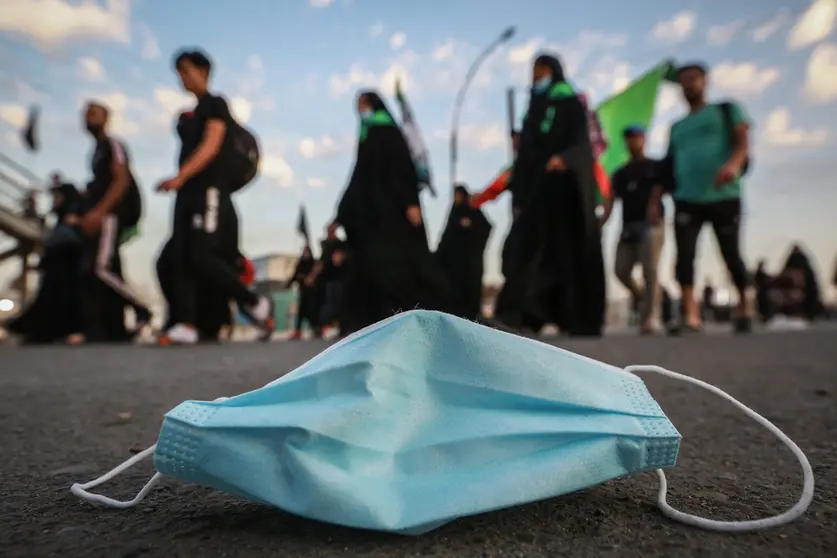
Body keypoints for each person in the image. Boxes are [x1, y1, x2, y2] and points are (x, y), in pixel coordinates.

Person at [155, 49, 274, 345]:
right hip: (189, 194)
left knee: (201, 253)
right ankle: (187, 322)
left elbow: (211, 145)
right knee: (172, 258)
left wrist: (180, 176)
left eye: (186, 70)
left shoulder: (214, 104)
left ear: (203, 71)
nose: (182, 77)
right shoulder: (189, 115)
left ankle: (254, 302)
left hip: (209, 190)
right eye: (179, 72)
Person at [492, 53, 606, 337]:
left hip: (563, 194)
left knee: (565, 255)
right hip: (537, 194)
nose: (536, 76)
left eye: (541, 70)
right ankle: (521, 316)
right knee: (525, 251)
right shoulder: (534, 107)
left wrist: (564, 158)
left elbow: (582, 143)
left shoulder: (571, 102)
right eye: (533, 70)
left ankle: (575, 318)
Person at [327, 90, 451, 334]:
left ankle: (424, 321)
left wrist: (410, 202)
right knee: (369, 269)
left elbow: (401, 167)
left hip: (393, 215)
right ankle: (368, 327)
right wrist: (340, 216)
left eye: (363, 104)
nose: (360, 110)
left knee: (402, 268)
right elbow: (357, 179)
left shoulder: (389, 132)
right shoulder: (366, 137)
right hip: (370, 218)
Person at [652, 62, 753, 334]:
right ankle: (691, 315)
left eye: (694, 78)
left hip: (723, 195)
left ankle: (745, 307)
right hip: (686, 197)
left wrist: (733, 165)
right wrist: (657, 198)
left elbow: (742, 142)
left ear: (705, 81)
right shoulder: (677, 127)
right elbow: (668, 164)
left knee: (730, 252)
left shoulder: (726, 110)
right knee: (685, 256)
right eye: (684, 80)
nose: (689, 84)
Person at [79, 101, 151, 343]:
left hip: (111, 216)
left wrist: (100, 211)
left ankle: (142, 307)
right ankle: (110, 327)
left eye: (94, 114)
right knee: (107, 266)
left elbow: (121, 179)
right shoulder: (96, 151)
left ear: (106, 117)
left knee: (101, 268)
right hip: (102, 215)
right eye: (86, 114)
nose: (89, 118)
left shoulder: (113, 144)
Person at [600, 125, 665, 334]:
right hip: (628, 226)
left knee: (650, 269)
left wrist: (654, 204)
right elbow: (610, 200)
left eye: (636, 137)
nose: (632, 142)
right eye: (629, 138)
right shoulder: (620, 173)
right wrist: (601, 222)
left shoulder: (654, 166)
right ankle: (641, 296)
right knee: (621, 269)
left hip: (651, 225)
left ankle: (651, 317)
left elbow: (661, 188)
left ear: (643, 139)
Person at [5, 183, 85, 344]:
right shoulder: (62, 218)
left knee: (56, 299)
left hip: (64, 269)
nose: (54, 202)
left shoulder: (72, 216)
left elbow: (66, 241)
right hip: (57, 269)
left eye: (57, 198)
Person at [436, 184, 492, 320]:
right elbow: (447, 235)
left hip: (470, 260)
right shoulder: (454, 212)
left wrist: (471, 226)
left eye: (459, 195)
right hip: (453, 261)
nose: (457, 198)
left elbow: (486, 227)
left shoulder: (473, 211)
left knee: (470, 286)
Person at [288, 246, 317, 340]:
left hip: (311, 292)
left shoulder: (313, 263)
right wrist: (289, 284)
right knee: (301, 311)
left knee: (310, 310)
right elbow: (295, 275)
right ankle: (298, 332)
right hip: (303, 291)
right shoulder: (300, 263)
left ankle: (315, 328)